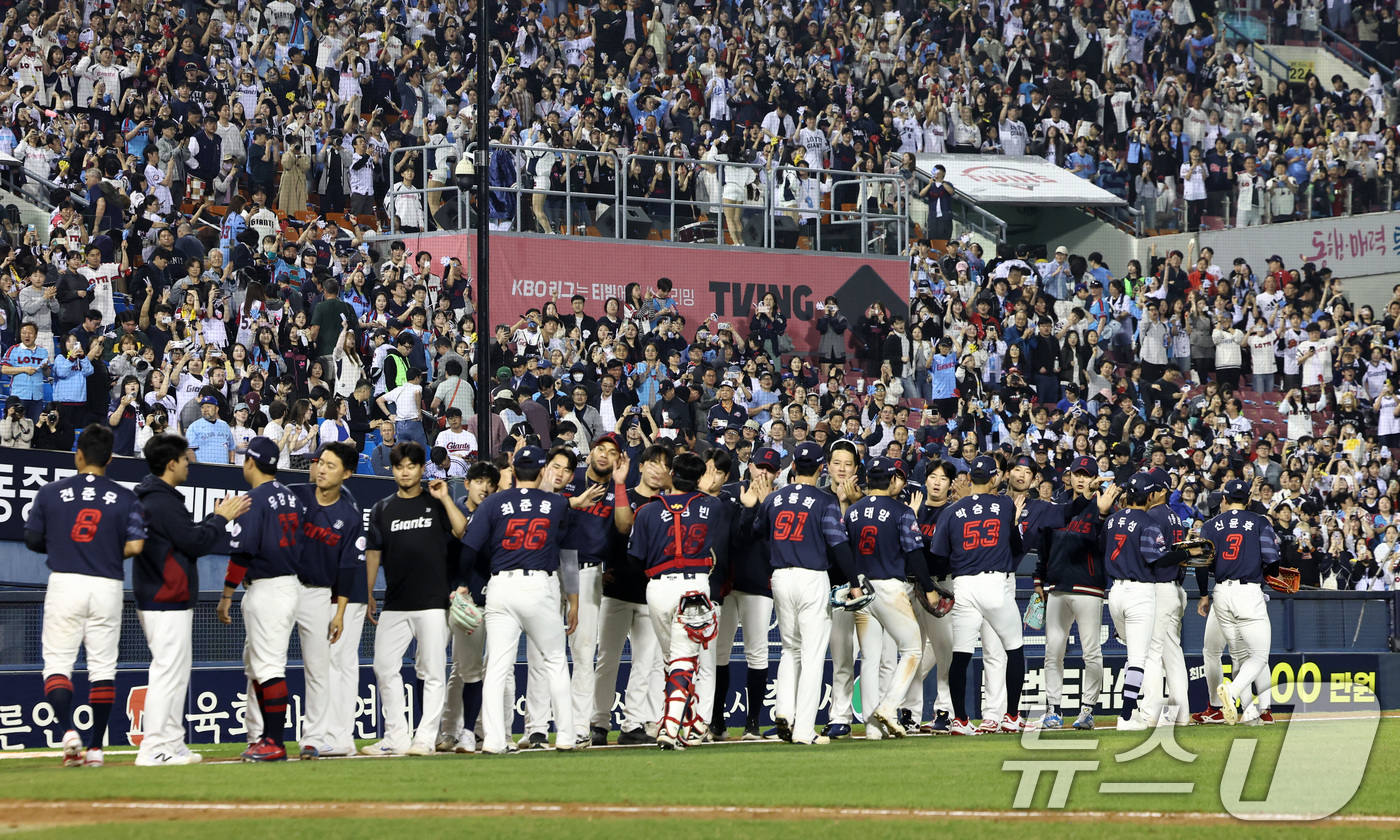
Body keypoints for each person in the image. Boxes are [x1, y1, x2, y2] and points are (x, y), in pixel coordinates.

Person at [24, 425, 146, 767]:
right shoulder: (125, 497)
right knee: (102, 668)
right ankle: (95, 749)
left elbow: (32, 539)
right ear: (109, 458)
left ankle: (68, 735)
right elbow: (136, 545)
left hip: (66, 581)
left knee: (58, 663)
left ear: (78, 454)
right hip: (106, 585)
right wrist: (104, 549)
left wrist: (66, 544)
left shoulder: (51, 492)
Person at [132, 434, 249, 766]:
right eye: (185, 458)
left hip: (166, 595)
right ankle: (154, 747)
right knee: (167, 673)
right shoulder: (160, 501)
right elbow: (196, 543)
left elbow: (186, 537)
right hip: (164, 596)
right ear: (171, 464)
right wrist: (221, 518)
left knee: (176, 672)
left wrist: (215, 520)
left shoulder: (160, 497)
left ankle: (171, 741)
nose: (189, 462)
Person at [459, 445, 578, 754]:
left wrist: (461, 584)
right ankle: (565, 736)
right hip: (538, 585)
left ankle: (495, 741)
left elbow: (469, 548)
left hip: (500, 587)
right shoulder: (558, 504)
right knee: (554, 661)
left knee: (497, 666)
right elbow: (567, 552)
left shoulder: (493, 502)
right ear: (542, 472)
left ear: (513, 472)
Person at [745, 441, 860, 746]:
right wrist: (855, 582)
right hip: (812, 577)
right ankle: (804, 730)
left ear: (793, 467)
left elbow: (755, 531)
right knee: (811, 655)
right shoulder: (825, 501)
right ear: (822, 467)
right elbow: (838, 544)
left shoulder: (775, 498)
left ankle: (783, 710)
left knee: (789, 649)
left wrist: (758, 503)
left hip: (781, 577)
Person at [362, 441, 469, 756]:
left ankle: (424, 738)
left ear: (423, 469)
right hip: (395, 601)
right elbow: (373, 552)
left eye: (411, 466)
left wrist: (446, 498)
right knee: (383, 666)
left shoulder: (436, 502)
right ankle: (395, 737)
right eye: (399, 466)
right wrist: (369, 592)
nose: (405, 471)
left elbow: (462, 530)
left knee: (432, 671)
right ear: (393, 470)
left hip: (433, 601)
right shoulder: (382, 508)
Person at [628, 451, 731, 750]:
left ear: (672, 473)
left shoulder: (647, 509)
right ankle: (670, 729)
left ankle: (691, 722)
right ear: (699, 478)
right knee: (683, 662)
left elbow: (635, 557)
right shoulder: (711, 505)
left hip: (658, 589)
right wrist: (704, 488)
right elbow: (705, 505)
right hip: (695, 589)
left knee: (673, 661)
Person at [218, 436, 306, 762]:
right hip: (287, 584)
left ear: (251, 462)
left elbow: (242, 553)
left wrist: (226, 595)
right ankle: (266, 737)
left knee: (268, 667)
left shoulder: (251, 500)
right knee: (258, 665)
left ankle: (275, 742)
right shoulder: (292, 497)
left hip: (268, 588)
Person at [927, 455, 1030, 735]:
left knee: (960, 655)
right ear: (994, 478)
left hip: (964, 586)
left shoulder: (951, 511)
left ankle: (960, 720)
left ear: (969, 478)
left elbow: (938, 557)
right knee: (1015, 649)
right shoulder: (1006, 504)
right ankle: (1010, 716)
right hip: (995, 582)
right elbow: (1015, 543)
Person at [843, 457, 941, 739]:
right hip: (889, 587)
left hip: (861, 589)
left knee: (870, 658)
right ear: (891, 481)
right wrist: (929, 587)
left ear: (868, 480)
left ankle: (873, 730)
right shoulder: (902, 511)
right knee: (912, 649)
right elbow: (914, 554)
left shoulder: (853, 511)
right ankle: (888, 706)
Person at [1101, 473, 1200, 731]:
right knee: (1166, 654)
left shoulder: (1126, 518)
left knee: (1151, 654)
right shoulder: (1170, 516)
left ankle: (1149, 714)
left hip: (1143, 589)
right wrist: (1187, 552)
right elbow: (1160, 556)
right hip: (1165, 588)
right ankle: (1178, 713)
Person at [288, 442, 365, 759]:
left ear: (346, 473)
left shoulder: (347, 511)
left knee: (330, 665)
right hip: (300, 588)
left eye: (330, 464)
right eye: (319, 462)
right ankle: (264, 737)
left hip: (330, 592)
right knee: (270, 663)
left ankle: (327, 737)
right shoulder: (297, 495)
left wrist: (342, 610)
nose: (320, 468)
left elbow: (349, 565)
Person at [1032, 456, 1118, 731]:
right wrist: (1038, 579)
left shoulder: (1101, 508)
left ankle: (1087, 710)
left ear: (1095, 478)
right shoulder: (1057, 508)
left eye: (1086, 474)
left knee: (1091, 652)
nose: (1081, 478)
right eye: (1077, 473)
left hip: (1089, 589)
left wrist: (1103, 515)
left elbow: (1105, 546)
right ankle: (1053, 709)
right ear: (1069, 476)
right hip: (1057, 588)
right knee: (1053, 651)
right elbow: (1044, 548)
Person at [591, 443, 667, 746]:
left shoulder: (667, 503)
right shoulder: (621, 496)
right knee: (607, 658)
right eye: (653, 463)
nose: (658, 469)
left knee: (645, 662)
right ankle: (598, 722)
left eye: (664, 465)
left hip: (650, 592)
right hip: (617, 588)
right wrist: (600, 571)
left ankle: (633, 723)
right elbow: (606, 536)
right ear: (641, 466)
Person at [556, 432, 628, 747]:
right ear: (591, 453)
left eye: (612, 452)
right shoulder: (568, 481)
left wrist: (622, 484)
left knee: (584, 654)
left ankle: (580, 728)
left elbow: (624, 530)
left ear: (618, 460)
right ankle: (536, 727)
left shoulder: (617, 492)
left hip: (586, 573)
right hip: (549, 569)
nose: (604, 455)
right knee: (545, 653)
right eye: (600, 448)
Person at [1199, 479, 1282, 725]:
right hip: (1248, 592)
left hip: (1222, 593)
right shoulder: (1259, 522)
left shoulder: (1211, 525)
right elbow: (1273, 561)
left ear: (1224, 499)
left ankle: (1248, 711)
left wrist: (1204, 593)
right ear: (1248, 500)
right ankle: (1238, 695)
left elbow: (1202, 564)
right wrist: (1268, 571)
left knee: (1239, 656)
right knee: (1258, 655)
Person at [436, 460, 502, 754]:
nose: (485, 487)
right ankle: (449, 731)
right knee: (453, 671)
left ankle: (474, 731)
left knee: (481, 670)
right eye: (479, 481)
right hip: (451, 598)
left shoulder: (496, 515)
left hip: (484, 599)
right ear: (467, 483)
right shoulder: (455, 510)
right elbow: (457, 538)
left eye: (490, 483)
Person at [714, 448, 778, 740]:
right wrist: (750, 507)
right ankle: (717, 723)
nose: (763, 473)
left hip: (758, 584)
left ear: (777, 473)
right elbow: (736, 537)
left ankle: (753, 723)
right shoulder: (728, 494)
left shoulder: (778, 501)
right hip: (726, 584)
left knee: (757, 651)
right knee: (719, 652)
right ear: (749, 466)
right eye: (759, 467)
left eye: (770, 469)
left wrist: (762, 506)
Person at [902, 460, 959, 734]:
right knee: (912, 650)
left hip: (940, 587)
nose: (937, 482)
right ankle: (909, 713)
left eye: (943, 478)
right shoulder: (913, 508)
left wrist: (911, 526)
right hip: (911, 586)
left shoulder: (953, 512)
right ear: (925, 480)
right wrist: (909, 519)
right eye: (933, 476)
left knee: (943, 651)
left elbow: (940, 552)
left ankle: (944, 711)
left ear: (950, 484)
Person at [186, 395, 236, 463]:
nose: (205, 409)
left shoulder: (224, 425)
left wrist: (232, 464)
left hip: (223, 469)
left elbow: (231, 448)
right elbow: (189, 450)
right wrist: (196, 467)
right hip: (204, 469)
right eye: (203, 407)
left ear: (216, 409)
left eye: (208, 406)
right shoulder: (194, 426)